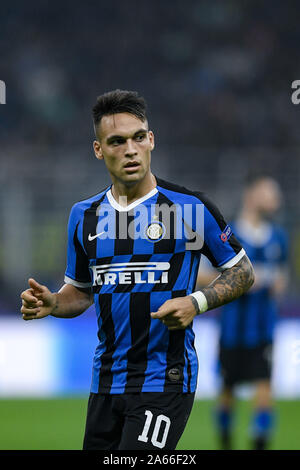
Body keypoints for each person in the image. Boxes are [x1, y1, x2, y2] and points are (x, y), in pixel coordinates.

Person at [20, 89, 254, 450]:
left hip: (165, 379)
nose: (130, 149)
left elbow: (242, 272)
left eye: (138, 138)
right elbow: (81, 292)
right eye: (117, 141)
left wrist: (196, 302)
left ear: (151, 140)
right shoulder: (84, 215)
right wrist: (53, 303)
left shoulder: (189, 209)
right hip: (106, 382)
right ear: (99, 149)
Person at [198, 175, 288, 451]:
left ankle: (259, 445)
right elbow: (201, 275)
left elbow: (282, 279)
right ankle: (225, 443)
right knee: (227, 394)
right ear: (252, 195)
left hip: (263, 330)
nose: (276, 199)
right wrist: (241, 280)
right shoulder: (228, 234)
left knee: (264, 392)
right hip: (231, 330)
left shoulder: (279, 238)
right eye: (269, 192)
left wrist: (272, 282)